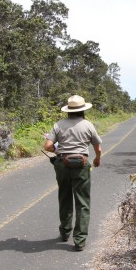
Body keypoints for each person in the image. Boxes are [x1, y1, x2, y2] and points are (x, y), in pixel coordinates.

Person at [44, 95, 102, 251]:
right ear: (83, 110)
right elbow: (98, 147)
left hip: (62, 163)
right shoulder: (88, 125)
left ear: (68, 111)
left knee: (64, 197)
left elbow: (48, 145)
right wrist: (97, 159)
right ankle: (80, 240)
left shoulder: (58, 125)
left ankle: (64, 232)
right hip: (81, 164)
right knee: (82, 202)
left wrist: (58, 150)